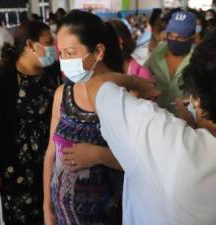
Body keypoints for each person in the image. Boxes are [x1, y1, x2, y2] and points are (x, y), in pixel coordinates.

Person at [76, 22, 216, 225]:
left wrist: (137, 82)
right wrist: (195, 127)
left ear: (196, 98)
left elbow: (96, 85)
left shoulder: (161, 137)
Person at [43, 11, 125, 225]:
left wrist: (99, 155)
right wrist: (47, 206)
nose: (64, 61)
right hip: (63, 215)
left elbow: (144, 164)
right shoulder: (62, 94)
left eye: (70, 52)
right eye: (61, 53)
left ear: (98, 51)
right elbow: (51, 153)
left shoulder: (125, 98)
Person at [0, 21, 58, 225]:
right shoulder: (1, 78)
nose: (54, 47)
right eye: (49, 42)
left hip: (49, 167)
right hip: (16, 172)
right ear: (30, 45)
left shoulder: (49, 73)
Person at [145, 11, 196, 115]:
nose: (174, 40)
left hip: (185, 120)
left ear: (192, 36)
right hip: (158, 115)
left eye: (180, 37)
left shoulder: (198, 59)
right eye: (171, 35)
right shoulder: (159, 52)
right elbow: (143, 73)